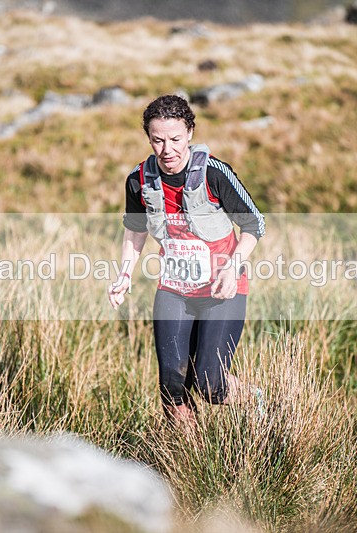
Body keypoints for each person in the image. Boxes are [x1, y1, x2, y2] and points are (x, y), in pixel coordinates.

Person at [107, 94, 265, 424]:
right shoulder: (139, 180)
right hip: (174, 290)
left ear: (190, 132)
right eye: (158, 140)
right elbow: (135, 230)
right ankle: (187, 466)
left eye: (176, 139)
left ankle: (255, 401)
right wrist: (124, 274)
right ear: (148, 138)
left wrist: (232, 268)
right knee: (172, 385)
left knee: (209, 382)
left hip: (221, 291)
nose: (168, 150)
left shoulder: (214, 173)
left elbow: (254, 224)